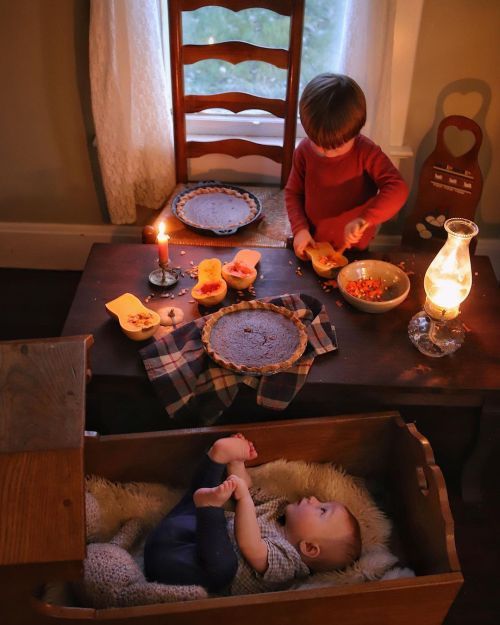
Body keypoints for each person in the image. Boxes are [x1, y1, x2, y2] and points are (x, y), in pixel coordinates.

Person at [144, 434, 362, 596]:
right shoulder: (278, 509)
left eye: (322, 510)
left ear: (309, 548)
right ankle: (217, 458)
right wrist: (237, 463)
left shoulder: (289, 563)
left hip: (180, 571)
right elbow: (247, 489)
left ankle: (209, 507)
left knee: (224, 569)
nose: (314, 499)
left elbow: (250, 545)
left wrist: (242, 501)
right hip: (181, 536)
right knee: (203, 501)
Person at [285, 73, 409, 260]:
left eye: (336, 146)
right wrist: (300, 229)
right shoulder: (303, 151)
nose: (326, 152)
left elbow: (398, 189)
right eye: (317, 142)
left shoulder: (366, 152)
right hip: (312, 243)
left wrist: (364, 219)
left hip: (354, 249)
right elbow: (293, 193)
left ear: (355, 132)